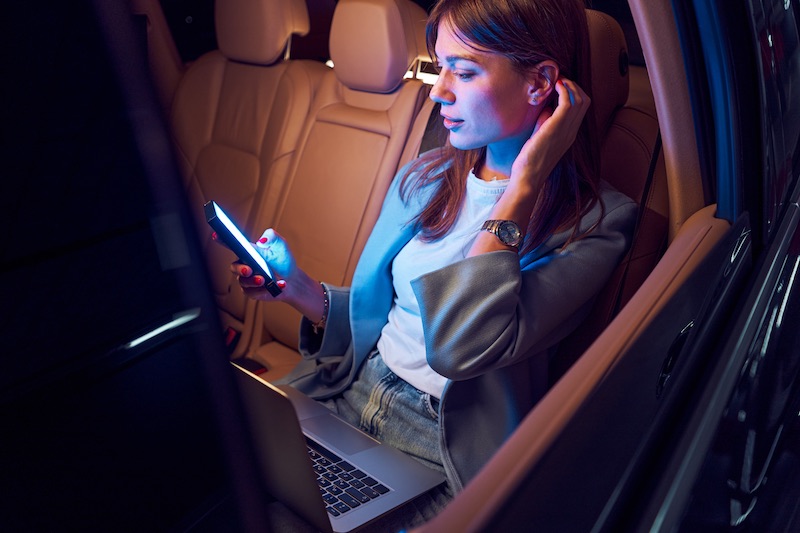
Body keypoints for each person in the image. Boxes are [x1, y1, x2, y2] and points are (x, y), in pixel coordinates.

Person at [231, 0, 637, 528]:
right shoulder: (425, 179)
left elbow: (458, 346)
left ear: (541, 84)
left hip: (442, 445)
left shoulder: (597, 224)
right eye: (440, 65)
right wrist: (294, 286)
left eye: (463, 72)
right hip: (351, 392)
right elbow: (383, 322)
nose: (438, 89)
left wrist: (525, 182)